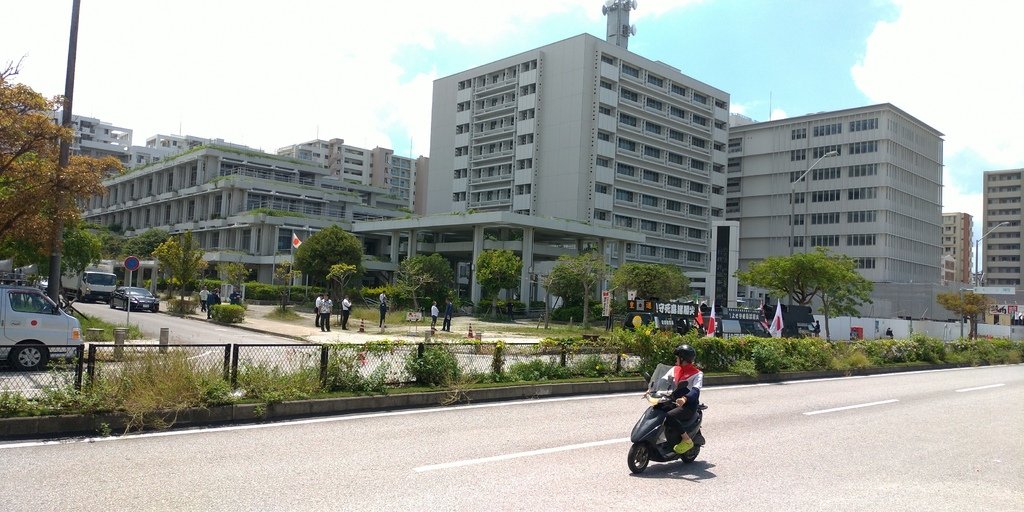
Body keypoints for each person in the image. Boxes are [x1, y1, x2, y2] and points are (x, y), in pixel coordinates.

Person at [664, 344, 703, 455]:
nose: (675, 360)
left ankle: (686, 440)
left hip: (688, 406)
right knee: (658, 409)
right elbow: (662, 381)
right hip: (673, 401)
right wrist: (651, 389)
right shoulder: (675, 369)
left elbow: (695, 390)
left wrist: (685, 399)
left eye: (677, 358)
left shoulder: (697, 374)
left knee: (670, 416)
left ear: (683, 359)